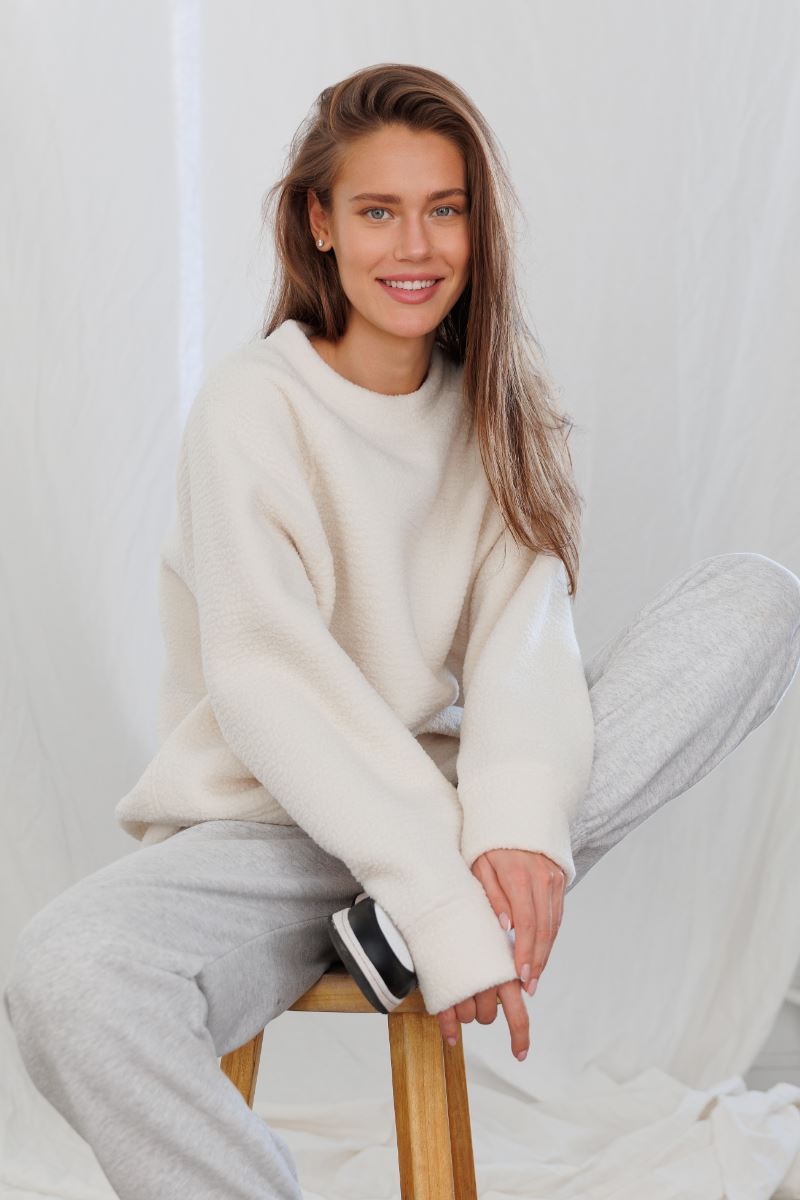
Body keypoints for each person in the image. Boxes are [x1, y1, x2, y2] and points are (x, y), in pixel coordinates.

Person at [5, 62, 800, 1200]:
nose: (414, 246)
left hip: (452, 810)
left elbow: (523, 663)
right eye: (378, 211)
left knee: (754, 599)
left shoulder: (503, 413)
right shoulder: (253, 406)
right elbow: (269, 684)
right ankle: (410, 918)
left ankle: (418, 910)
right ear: (319, 223)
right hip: (265, 832)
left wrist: (507, 829)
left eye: (445, 209)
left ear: (479, 227)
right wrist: (438, 901)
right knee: (64, 973)